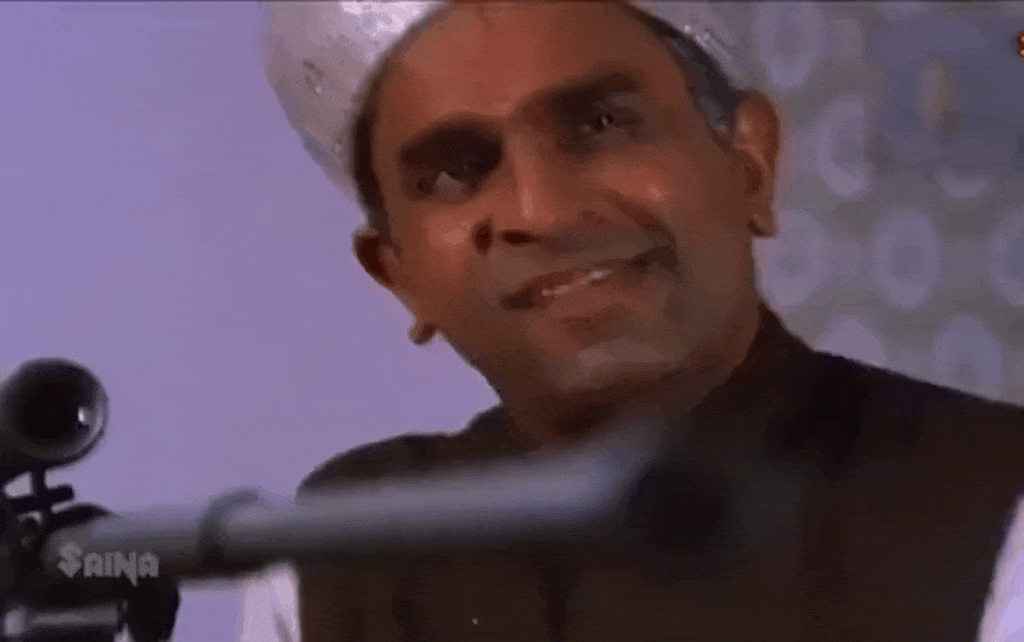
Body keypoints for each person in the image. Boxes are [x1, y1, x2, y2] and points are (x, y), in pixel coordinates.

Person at [255, 2, 1024, 641]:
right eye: (457, 170)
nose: (544, 212)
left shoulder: (994, 501)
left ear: (749, 165)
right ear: (398, 275)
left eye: (602, 123)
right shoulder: (337, 559)